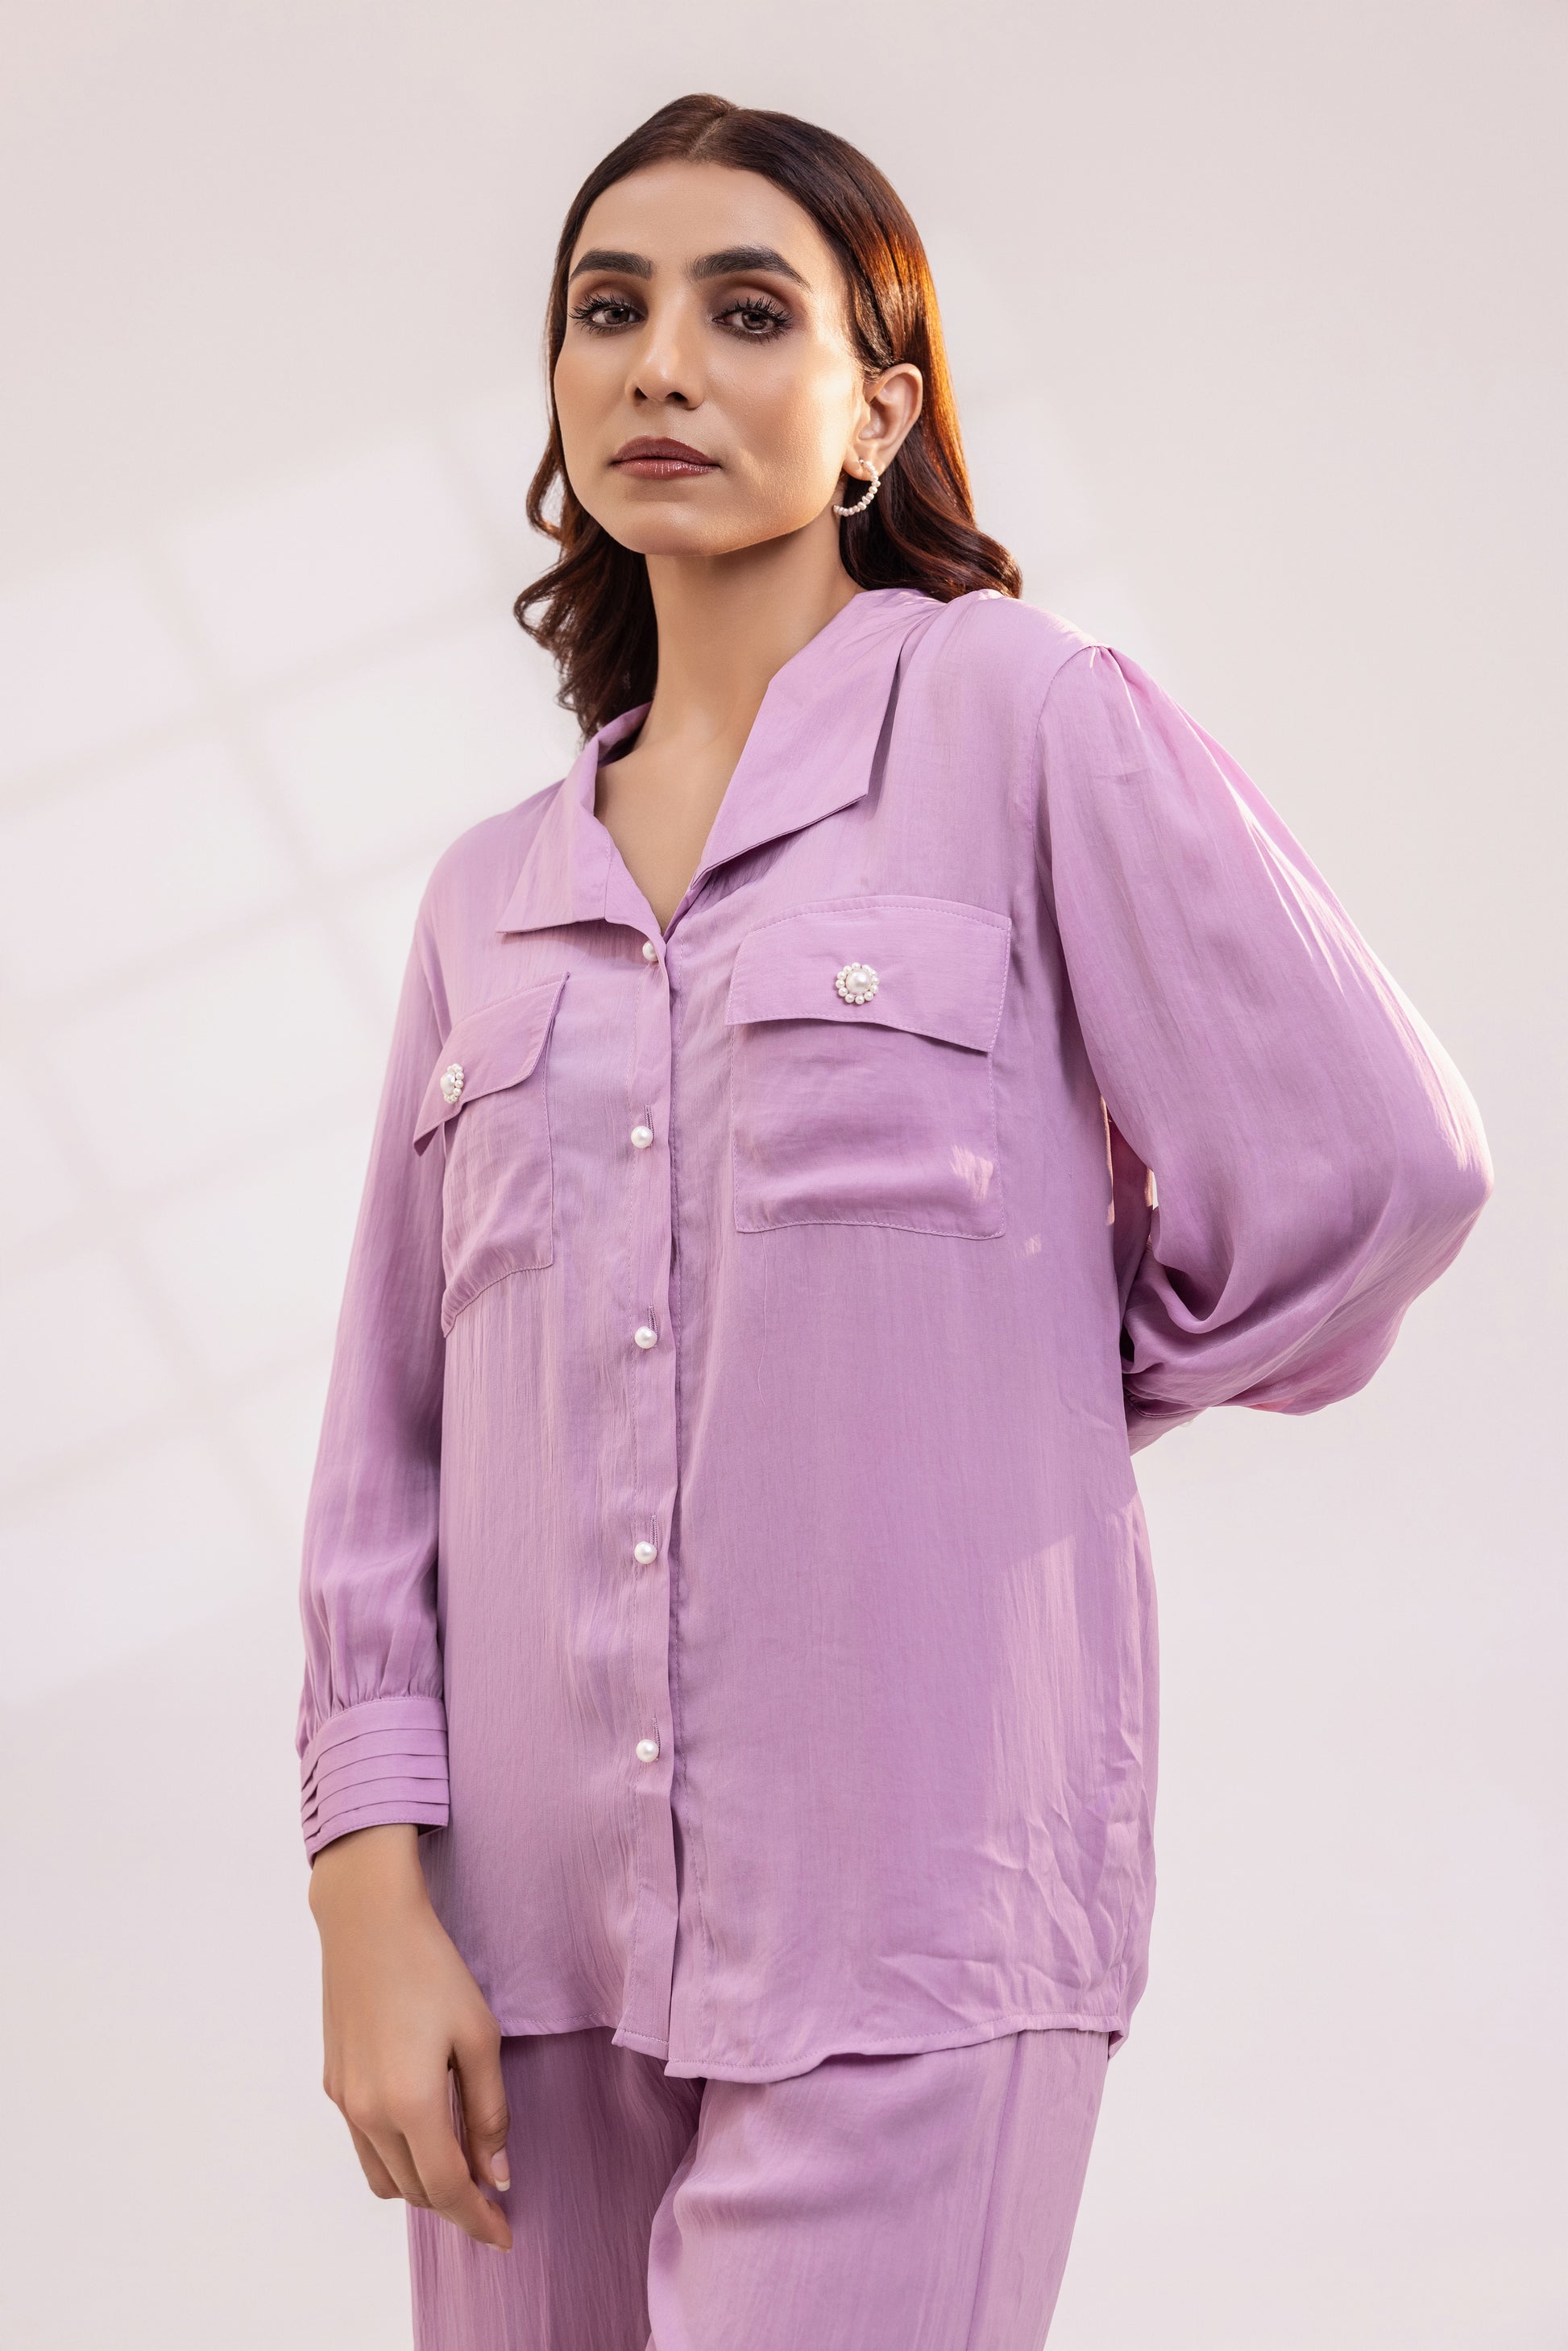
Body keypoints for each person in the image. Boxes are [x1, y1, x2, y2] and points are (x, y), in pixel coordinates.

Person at [295, 93, 1492, 2351]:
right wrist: (368, 1892)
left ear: (878, 412)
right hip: (520, 1962)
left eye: (749, 312)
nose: (662, 363)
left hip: (913, 1912)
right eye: (607, 310)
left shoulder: (1019, 724)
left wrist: (1033, 1376)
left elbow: (1374, 1168)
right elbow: (391, 1448)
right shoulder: (486, 898)